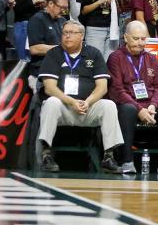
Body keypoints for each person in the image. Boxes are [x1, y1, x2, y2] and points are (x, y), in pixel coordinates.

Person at [36, 20, 123, 173]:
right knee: (51, 102)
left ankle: (109, 157)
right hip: (64, 109)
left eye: (72, 33)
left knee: (109, 106)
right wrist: (71, 102)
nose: (67, 36)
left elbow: (102, 88)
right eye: (65, 33)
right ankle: (46, 155)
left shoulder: (94, 53)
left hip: (87, 109)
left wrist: (88, 102)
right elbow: (49, 88)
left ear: (82, 36)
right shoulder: (54, 54)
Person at [107, 20, 158, 175]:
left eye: (143, 39)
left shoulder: (151, 59)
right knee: (127, 109)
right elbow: (117, 90)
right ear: (126, 37)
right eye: (136, 38)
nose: (140, 43)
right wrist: (139, 109)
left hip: (149, 106)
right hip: (128, 105)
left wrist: (153, 105)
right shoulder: (115, 57)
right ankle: (126, 161)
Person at [26, 0, 69, 78]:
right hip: (42, 70)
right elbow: (34, 49)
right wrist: (62, 48)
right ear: (50, 4)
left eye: (65, 8)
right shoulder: (37, 20)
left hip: (61, 67)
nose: (63, 11)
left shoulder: (62, 20)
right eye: (61, 7)